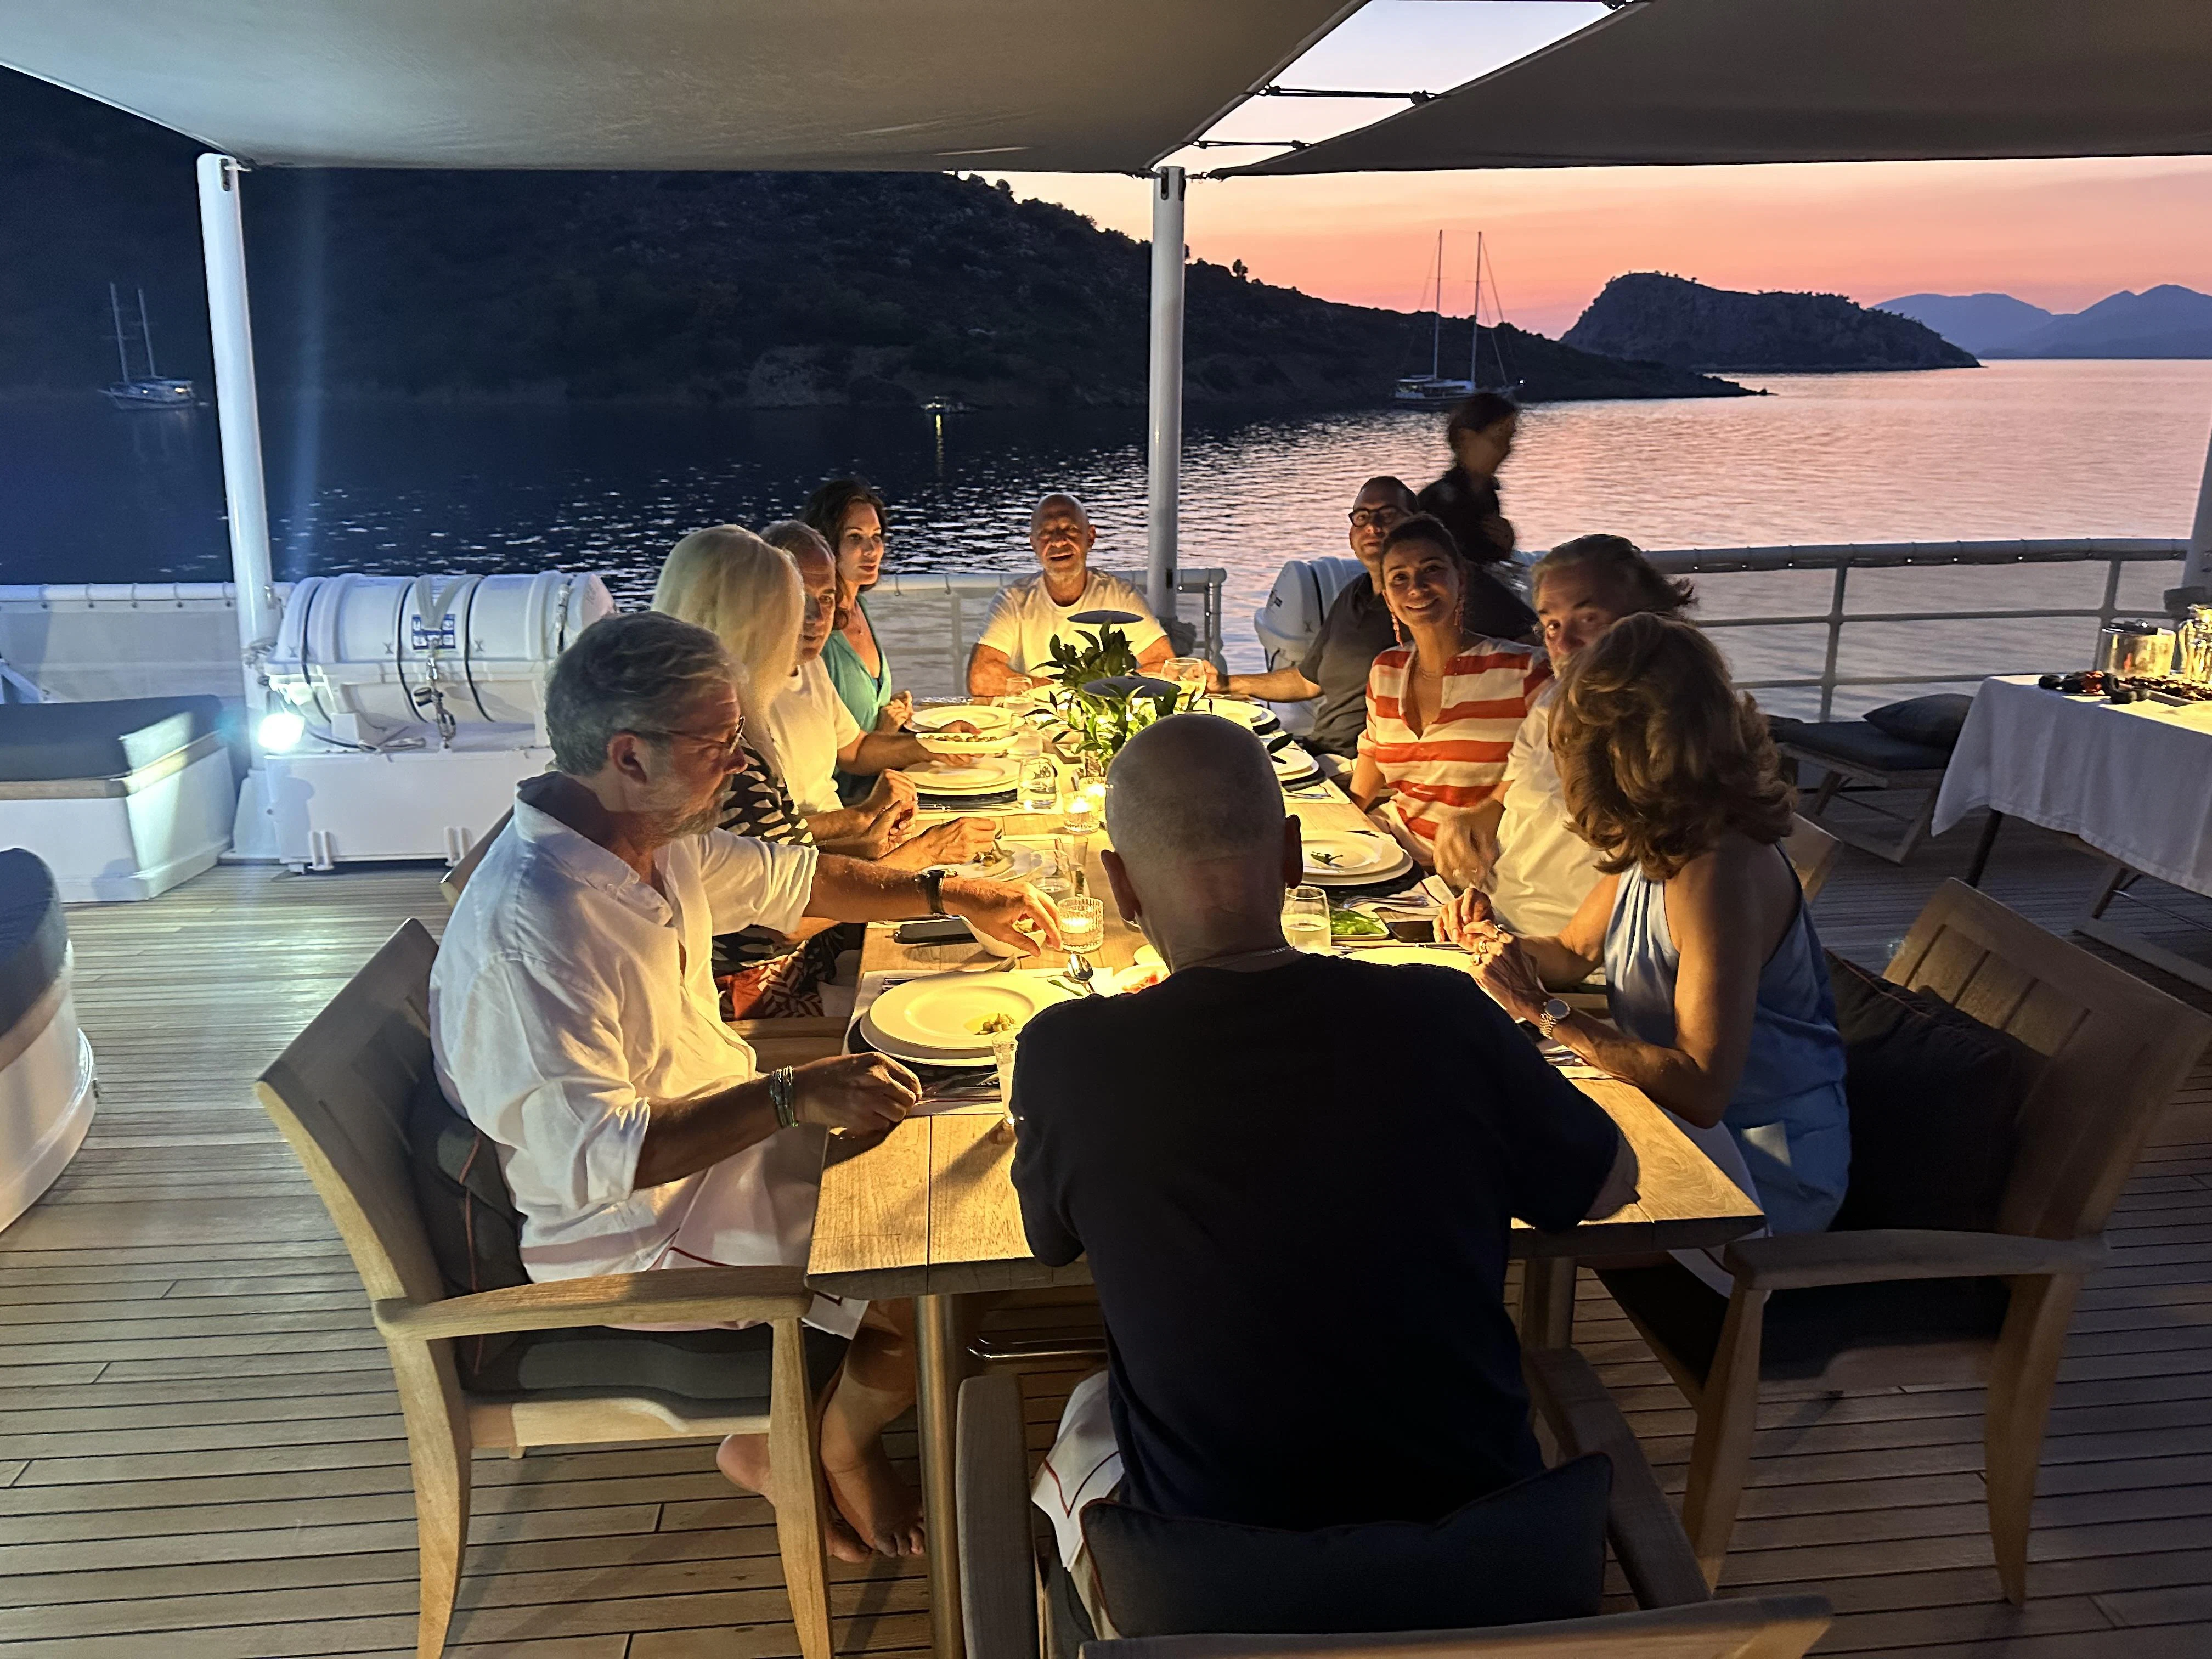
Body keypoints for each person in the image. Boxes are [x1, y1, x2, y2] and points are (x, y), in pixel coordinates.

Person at [430, 611, 1059, 1562]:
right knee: (926, 1246)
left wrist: (951, 892)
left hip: (730, 1147)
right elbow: (604, 1156)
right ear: (628, 754)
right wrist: (789, 1097)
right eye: (717, 742)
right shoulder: (538, 925)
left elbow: (801, 878)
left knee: (955, 1141)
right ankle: (813, 1443)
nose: (738, 759)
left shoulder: (644, 839)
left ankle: (806, 1421)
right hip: (632, 1226)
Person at [1010, 713, 1637, 1621]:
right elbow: (1607, 1182)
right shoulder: (1445, 1013)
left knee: (1080, 1417)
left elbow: (1049, 1241)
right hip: (1489, 1576)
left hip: (1219, 1599)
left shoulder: (1068, 1054)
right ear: (1294, 853)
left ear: (1120, 886)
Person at [1442, 612, 1849, 1244]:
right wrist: (1493, 944)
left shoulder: (1718, 871)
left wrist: (1545, 1012)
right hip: (1671, 1122)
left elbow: (1704, 1088)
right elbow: (1575, 951)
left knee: (1481, 1169)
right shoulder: (1665, 833)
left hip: (1755, 1177)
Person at [651, 526, 995, 1018]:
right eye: (791, 612)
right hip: (758, 992)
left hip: (804, 951)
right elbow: (789, 916)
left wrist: (870, 846)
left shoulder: (697, 731)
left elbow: (780, 871)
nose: (809, 626)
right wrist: (924, 860)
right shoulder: (721, 758)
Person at [1452, 535, 1698, 924]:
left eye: (1588, 619)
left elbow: (1590, 944)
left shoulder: (1677, 735)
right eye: (1551, 624)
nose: (1563, 643)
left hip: (1560, 954)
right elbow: (1504, 796)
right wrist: (1468, 818)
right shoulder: (1554, 700)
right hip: (1494, 915)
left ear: (1652, 620)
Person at [757, 521, 1000, 866]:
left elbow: (855, 748)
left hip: (846, 841)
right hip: (808, 867)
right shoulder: (741, 699)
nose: (816, 617)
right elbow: (763, 839)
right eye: (799, 598)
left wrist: (937, 745)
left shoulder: (810, 666)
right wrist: (863, 815)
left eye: (827, 598)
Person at [1350, 515, 1552, 871]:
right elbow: (1372, 757)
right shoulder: (1386, 669)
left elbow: (1545, 774)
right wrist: (1344, 821)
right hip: (1389, 853)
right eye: (1400, 578)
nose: (1417, 588)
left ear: (1462, 577)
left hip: (1478, 869)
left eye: (1432, 570)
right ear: (1387, 595)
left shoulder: (1526, 672)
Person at [1205, 476, 1417, 758]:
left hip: (1367, 765)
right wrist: (1228, 683)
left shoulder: (1427, 604)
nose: (1373, 527)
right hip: (1324, 753)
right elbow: (1308, 681)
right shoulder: (1353, 595)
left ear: (1418, 525)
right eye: (1362, 517)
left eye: (1388, 516)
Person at [967, 493, 1172, 695]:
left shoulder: (1120, 595)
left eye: (1070, 530)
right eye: (1046, 533)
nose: (1058, 542)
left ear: (1090, 537)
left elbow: (1166, 667)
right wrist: (1073, 692)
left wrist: (1104, 695)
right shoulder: (1014, 600)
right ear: (1034, 545)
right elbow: (981, 678)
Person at [1416, 392, 1537, 642]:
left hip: (1483, 595)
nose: (1507, 450)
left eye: (1510, 439)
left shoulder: (1486, 496)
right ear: (1466, 439)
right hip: (1459, 605)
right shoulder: (1439, 500)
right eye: (1498, 439)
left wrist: (1506, 544)